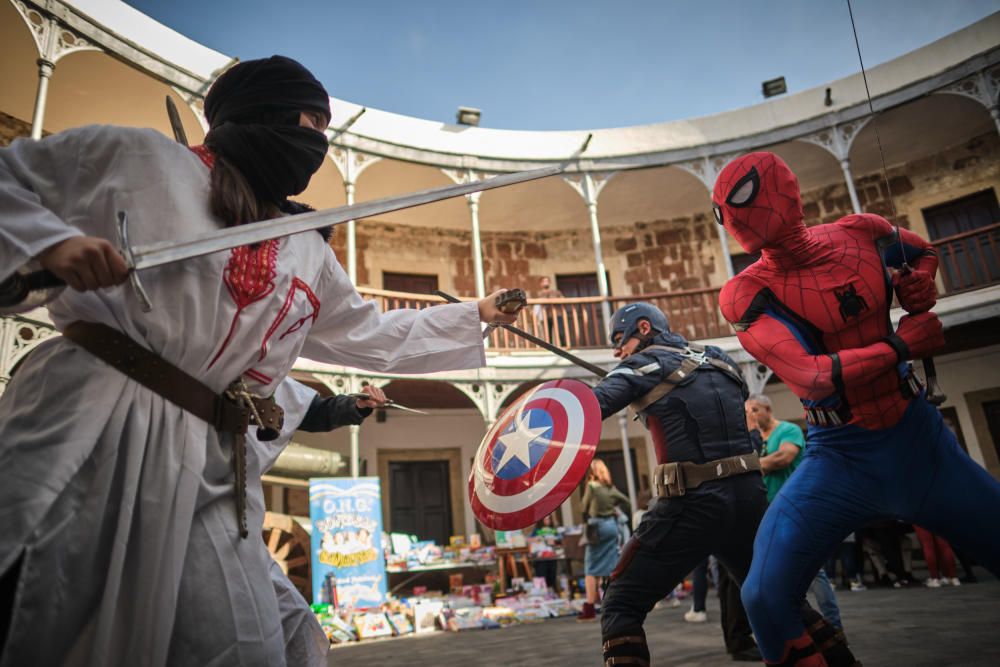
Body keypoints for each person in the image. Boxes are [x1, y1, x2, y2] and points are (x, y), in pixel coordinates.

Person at [0, 55, 520, 667]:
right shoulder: (140, 159)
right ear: (266, 111)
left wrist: (475, 313)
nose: (317, 142)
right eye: (310, 121)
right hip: (90, 420)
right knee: (46, 622)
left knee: (256, 642)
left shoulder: (307, 247)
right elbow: (12, 179)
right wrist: (52, 243)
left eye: (326, 131)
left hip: (212, 462)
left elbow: (370, 334)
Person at [713, 151, 1000, 666]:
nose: (730, 216)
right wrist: (901, 345)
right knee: (762, 594)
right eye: (722, 209)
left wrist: (920, 281)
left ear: (783, 188)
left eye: (738, 199)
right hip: (838, 454)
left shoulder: (862, 233)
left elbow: (924, 250)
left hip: (920, 441)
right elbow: (810, 375)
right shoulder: (745, 292)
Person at [591, 303, 855, 666]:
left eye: (619, 340)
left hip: (689, 504)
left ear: (644, 327)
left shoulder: (640, 365)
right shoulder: (721, 360)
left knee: (620, 604)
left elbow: (589, 409)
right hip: (749, 501)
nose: (617, 352)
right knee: (784, 600)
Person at [255, 379, 387, 667]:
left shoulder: (270, 375)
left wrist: (357, 405)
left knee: (298, 622)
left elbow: (315, 410)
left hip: (243, 518)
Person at [746, 394, 844, 629]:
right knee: (770, 571)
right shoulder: (753, 439)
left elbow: (783, 458)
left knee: (812, 568)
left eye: (755, 410)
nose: (751, 415)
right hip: (764, 510)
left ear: (768, 409)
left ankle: (834, 625)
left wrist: (747, 468)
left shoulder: (788, 430)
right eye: (748, 411)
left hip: (793, 507)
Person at [577, 459, 630, 622]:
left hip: (597, 528)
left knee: (591, 568)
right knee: (610, 565)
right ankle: (612, 603)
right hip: (611, 527)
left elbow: (583, 507)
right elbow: (626, 501)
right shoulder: (610, 488)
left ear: (592, 472)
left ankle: (589, 609)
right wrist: (614, 509)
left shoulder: (592, 487)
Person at [532, 276, 565, 345]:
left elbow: (563, 299)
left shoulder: (556, 292)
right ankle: (550, 348)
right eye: (544, 281)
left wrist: (554, 300)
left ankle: (564, 346)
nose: (545, 283)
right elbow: (536, 305)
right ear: (540, 284)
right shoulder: (539, 294)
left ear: (549, 283)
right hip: (545, 316)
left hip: (557, 314)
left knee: (560, 332)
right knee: (548, 333)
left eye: (547, 281)